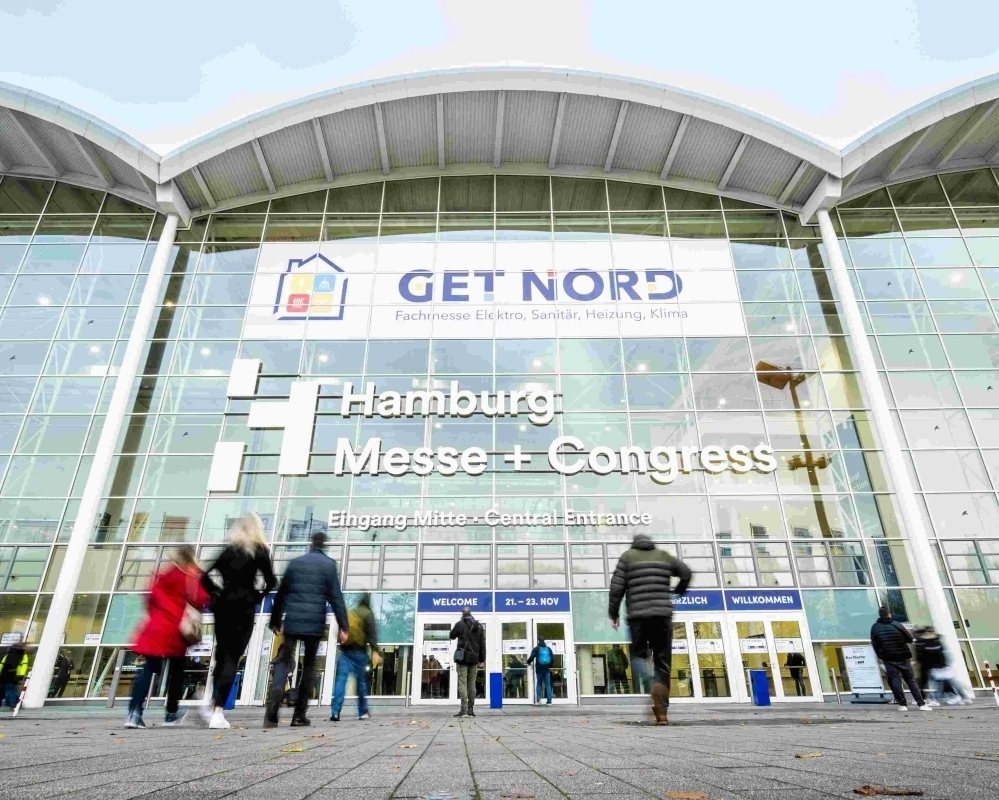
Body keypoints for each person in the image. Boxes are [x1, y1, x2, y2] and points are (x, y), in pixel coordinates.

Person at [200, 512, 276, 729]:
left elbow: (202, 575)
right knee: (233, 657)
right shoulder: (259, 551)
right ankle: (218, 711)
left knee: (222, 655)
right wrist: (257, 596)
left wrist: (216, 593)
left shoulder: (228, 550)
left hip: (223, 605)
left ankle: (213, 704)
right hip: (244, 607)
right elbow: (272, 581)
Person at [266, 532, 348, 728]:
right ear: (324, 545)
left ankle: (272, 711)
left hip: (293, 621)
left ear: (311, 544)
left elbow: (281, 593)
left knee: (284, 661)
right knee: (309, 667)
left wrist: (275, 619)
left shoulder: (295, 563)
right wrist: (344, 626)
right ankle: (298, 716)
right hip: (314, 623)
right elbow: (336, 598)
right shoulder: (328, 565)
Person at [608, 533, 692, 725]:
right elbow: (686, 573)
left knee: (638, 656)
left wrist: (613, 613)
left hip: (638, 617)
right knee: (662, 662)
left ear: (634, 544)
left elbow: (616, 588)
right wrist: (678, 591)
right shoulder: (663, 556)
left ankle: (650, 681)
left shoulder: (627, 557)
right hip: (662, 616)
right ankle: (662, 713)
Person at [125, 545, 210, 728]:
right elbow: (201, 599)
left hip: (156, 627)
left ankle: (134, 713)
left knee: (148, 669)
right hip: (177, 630)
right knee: (176, 672)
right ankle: (171, 714)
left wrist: (156, 615)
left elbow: (149, 598)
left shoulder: (163, 575)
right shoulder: (191, 576)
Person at [870, 606, 931, 712]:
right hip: (903, 656)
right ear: (889, 614)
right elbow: (909, 639)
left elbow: (875, 644)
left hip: (888, 658)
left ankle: (903, 705)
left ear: (880, 615)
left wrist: (881, 655)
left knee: (895, 680)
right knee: (911, 680)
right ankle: (921, 704)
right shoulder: (897, 624)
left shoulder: (875, 627)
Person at [330, 592, 379, 722]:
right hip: (359, 653)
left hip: (344, 653)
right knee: (361, 683)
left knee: (341, 681)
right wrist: (375, 650)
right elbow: (372, 634)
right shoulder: (367, 613)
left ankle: (335, 712)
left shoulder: (352, 613)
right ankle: (362, 712)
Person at [914, 627, 965, 706]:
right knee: (941, 683)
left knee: (939, 684)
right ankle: (956, 696)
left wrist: (942, 665)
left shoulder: (933, 642)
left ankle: (937, 699)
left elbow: (937, 654)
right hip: (934, 666)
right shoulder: (932, 641)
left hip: (936, 667)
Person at [449, 606, 485, 718]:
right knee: (472, 683)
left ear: (463, 614)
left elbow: (451, 636)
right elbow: (482, 644)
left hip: (463, 658)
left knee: (463, 683)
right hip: (474, 659)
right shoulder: (479, 626)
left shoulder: (460, 624)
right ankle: (471, 709)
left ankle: (463, 710)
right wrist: (482, 659)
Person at [0, 640, 29, 709]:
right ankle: (13, 704)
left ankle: (13, 703)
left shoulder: (8, 655)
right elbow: (24, 665)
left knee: (7, 690)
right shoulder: (23, 656)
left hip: (4, 675)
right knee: (11, 690)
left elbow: (2, 664)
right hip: (13, 675)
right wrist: (21, 675)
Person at [526, 636, 554, 705]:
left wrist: (528, 662)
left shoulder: (536, 649)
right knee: (548, 685)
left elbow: (531, 657)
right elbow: (552, 659)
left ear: (538, 641)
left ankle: (538, 700)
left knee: (539, 684)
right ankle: (549, 701)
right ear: (544, 641)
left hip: (539, 669)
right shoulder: (548, 649)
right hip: (546, 669)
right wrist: (549, 666)